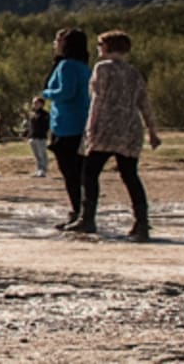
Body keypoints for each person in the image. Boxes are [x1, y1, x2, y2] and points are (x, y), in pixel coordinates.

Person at [69, 30, 162, 241]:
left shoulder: (102, 68)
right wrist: (153, 131)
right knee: (130, 175)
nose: (98, 49)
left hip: (107, 127)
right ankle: (142, 221)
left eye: (100, 45)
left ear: (107, 47)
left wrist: (90, 128)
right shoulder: (133, 72)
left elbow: (97, 100)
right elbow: (144, 103)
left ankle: (88, 217)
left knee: (90, 172)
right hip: (130, 129)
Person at [43, 28, 93, 229]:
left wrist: (46, 93)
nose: (55, 43)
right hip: (82, 122)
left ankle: (77, 212)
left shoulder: (67, 66)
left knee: (70, 171)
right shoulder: (83, 66)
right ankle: (83, 212)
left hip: (67, 124)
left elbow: (65, 92)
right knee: (81, 171)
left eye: (58, 40)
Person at [26, 97, 50, 177]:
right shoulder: (33, 114)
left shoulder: (45, 114)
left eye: (36, 102)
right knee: (36, 155)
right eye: (34, 103)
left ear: (41, 104)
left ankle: (43, 170)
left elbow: (47, 126)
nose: (34, 104)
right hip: (33, 137)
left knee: (42, 154)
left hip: (41, 137)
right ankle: (38, 169)